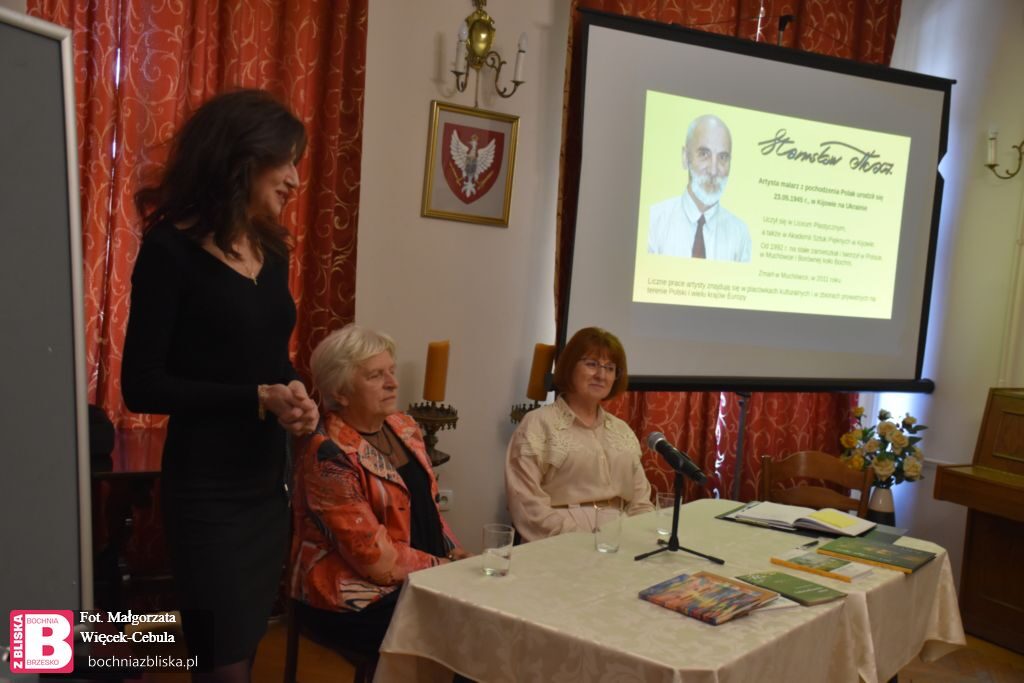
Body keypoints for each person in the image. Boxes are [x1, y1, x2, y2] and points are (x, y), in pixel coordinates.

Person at [121, 89, 319, 682]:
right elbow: (142, 386)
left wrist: (295, 393)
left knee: (242, 646)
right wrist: (255, 398)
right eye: (285, 162)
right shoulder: (169, 251)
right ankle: (64, 647)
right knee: (221, 662)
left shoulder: (273, 252)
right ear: (242, 158)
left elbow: (270, 359)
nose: (295, 179)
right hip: (206, 492)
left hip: (267, 485)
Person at [289, 324, 469, 661]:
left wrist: (454, 552)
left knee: (488, 613)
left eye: (391, 371)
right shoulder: (328, 455)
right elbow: (373, 560)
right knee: (461, 634)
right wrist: (444, 567)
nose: (392, 383)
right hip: (353, 596)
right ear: (341, 391)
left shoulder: (404, 426)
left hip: (419, 574)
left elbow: (427, 508)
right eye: (375, 375)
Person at [505, 327, 654, 542]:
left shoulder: (622, 430)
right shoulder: (538, 424)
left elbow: (641, 500)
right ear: (569, 367)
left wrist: (639, 537)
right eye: (592, 364)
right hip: (559, 543)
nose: (601, 375)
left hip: (621, 541)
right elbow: (526, 502)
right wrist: (578, 541)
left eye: (610, 368)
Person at [648, 114, 752, 262]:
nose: (713, 171)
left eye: (723, 157)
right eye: (704, 154)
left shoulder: (740, 234)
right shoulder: (653, 222)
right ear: (685, 158)